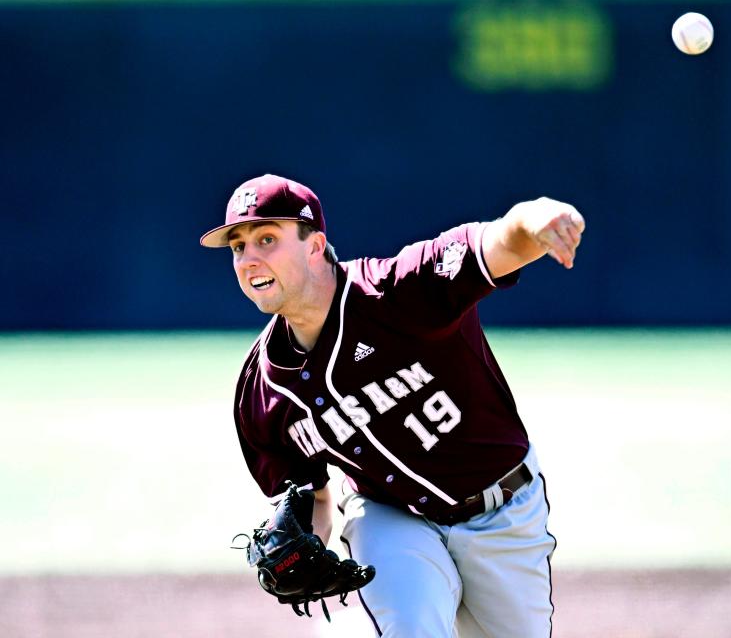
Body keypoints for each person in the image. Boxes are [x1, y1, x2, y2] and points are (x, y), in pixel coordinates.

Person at [201, 174, 585, 637]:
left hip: (501, 509)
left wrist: (535, 216)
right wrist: (304, 545)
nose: (250, 258)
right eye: (238, 247)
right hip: (389, 514)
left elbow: (498, 239)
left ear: (315, 245)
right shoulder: (261, 392)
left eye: (267, 239)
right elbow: (315, 498)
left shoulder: (398, 292)